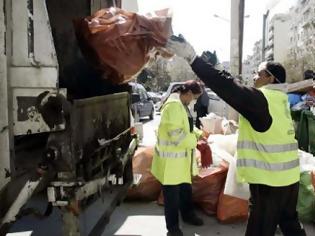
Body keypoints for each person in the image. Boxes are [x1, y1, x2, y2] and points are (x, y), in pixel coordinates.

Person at [165, 35, 306, 236]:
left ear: (270, 78)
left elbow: (226, 87)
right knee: (290, 224)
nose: (254, 77)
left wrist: (193, 58)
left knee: (259, 230)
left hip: (270, 184)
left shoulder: (261, 99)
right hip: (289, 180)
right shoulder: (280, 101)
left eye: (258, 73)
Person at [151, 80, 207, 236]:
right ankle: (173, 228)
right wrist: (196, 142)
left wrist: (199, 134)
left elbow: (187, 127)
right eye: (194, 98)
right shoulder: (174, 107)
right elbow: (177, 135)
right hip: (171, 163)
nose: (194, 101)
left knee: (185, 191)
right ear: (188, 94)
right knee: (172, 198)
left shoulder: (182, 105)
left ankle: (188, 215)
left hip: (180, 162)